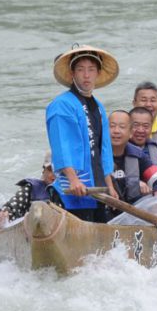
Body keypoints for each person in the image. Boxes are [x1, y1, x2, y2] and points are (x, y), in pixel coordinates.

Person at [45, 44, 118, 223]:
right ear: (72, 74)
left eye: (91, 70)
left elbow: (104, 149)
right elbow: (61, 145)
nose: (86, 75)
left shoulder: (99, 107)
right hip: (72, 191)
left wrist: (110, 185)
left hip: (97, 190)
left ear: (98, 73)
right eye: (81, 70)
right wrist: (73, 179)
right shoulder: (62, 105)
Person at [108, 110, 157, 205]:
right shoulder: (95, 154)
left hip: (131, 209)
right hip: (104, 207)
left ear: (130, 133)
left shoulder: (137, 154)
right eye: (112, 126)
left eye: (122, 127)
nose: (116, 131)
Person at [0, 151, 55, 228]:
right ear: (44, 171)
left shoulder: (69, 192)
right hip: (31, 229)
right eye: (50, 170)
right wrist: (5, 215)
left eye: (59, 171)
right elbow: (12, 206)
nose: (55, 174)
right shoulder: (31, 188)